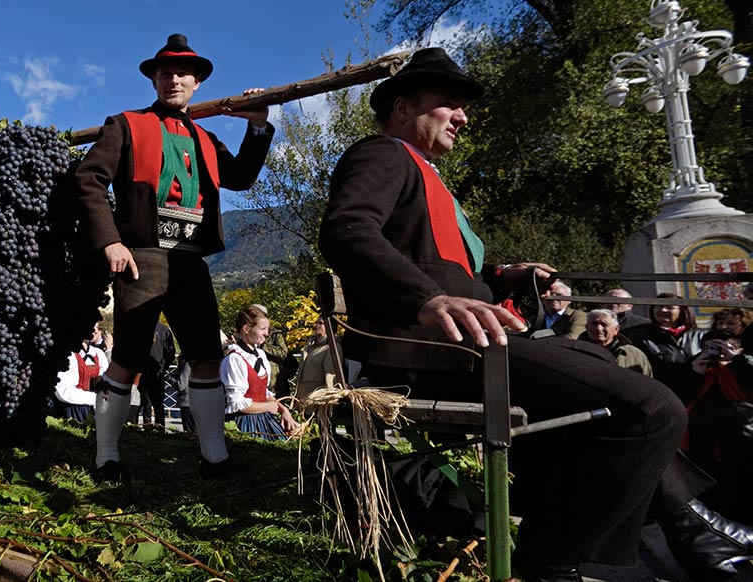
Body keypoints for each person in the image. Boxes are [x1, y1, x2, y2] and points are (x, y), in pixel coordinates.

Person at [318, 47, 751, 581]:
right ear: (403, 108)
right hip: (438, 353)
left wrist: (504, 276)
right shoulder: (384, 153)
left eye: (463, 108)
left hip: (470, 344)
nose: (463, 117)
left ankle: (695, 528)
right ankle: (557, 560)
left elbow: (444, 266)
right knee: (653, 409)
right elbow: (347, 230)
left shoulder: (425, 173)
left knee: (615, 383)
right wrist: (427, 300)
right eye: (449, 104)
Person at [73, 33, 274, 481]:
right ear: (155, 79)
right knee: (126, 357)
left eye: (183, 73)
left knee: (205, 358)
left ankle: (215, 458)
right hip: (142, 256)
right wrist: (110, 240)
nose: (174, 79)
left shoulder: (205, 137)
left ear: (197, 81)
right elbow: (88, 178)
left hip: (190, 262)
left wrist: (257, 124)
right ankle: (107, 457)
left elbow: (240, 177)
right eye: (165, 72)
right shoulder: (125, 123)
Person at [681, 330, 753, 525]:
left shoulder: (743, 365)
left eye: (723, 346)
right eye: (710, 347)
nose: (717, 352)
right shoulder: (695, 367)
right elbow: (681, 399)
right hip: (704, 444)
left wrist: (735, 361)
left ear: (738, 348)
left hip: (741, 444)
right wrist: (695, 373)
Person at [221, 306, 299, 441]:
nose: (267, 334)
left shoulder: (260, 354)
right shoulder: (234, 359)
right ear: (246, 329)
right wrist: (268, 406)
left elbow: (263, 393)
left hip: (263, 417)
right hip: (244, 422)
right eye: (262, 329)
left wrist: (283, 410)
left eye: (267, 329)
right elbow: (236, 403)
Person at [627, 293, 705, 389]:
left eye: (669, 307)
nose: (663, 310)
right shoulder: (639, 336)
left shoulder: (700, 335)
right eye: (658, 306)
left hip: (698, 390)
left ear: (682, 311)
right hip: (660, 390)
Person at [53, 325, 110, 423]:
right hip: (74, 409)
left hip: (96, 409)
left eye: (96, 327)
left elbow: (104, 379)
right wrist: (95, 398)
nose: (93, 330)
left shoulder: (98, 353)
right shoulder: (68, 355)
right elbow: (64, 391)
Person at [580, 309, 653, 377]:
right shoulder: (575, 350)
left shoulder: (634, 355)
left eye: (604, 324)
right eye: (594, 324)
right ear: (586, 327)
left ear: (616, 329)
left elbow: (647, 381)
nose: (598, 328)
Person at [294, 316, 343, 405]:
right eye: (316, 323)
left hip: (316, 401)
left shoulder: (331, 347)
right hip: (302, 399)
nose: (316, 325)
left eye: (320, 323)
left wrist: (327, 400)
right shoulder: (309, 346)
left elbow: (330, 377)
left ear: (330, 327)